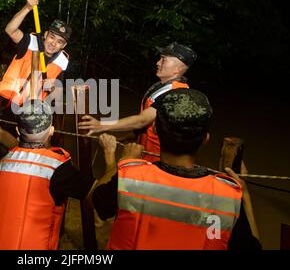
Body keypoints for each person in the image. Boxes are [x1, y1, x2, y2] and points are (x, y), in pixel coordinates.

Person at [91, 88, 262, 250]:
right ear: (206, 139)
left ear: (155, 129)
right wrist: (244, 194)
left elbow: (97, 201)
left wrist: (121, 162)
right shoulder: (227, 196)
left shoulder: (130, 178)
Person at [0, 101, 94, 250]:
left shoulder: (3, 164)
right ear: (51, 131)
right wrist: (110, 156)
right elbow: (97, 196)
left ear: (18, 130)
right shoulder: (57, 169)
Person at [79, 42, 196, 162]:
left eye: (163, 60)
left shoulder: (176, 94)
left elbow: (143, 120)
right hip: (144, 153)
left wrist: (101, 125)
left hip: (157, 160)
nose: (158, 63)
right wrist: (125, 137)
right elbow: (148, 125)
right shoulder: (163, 87)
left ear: (177, 69)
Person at [0, 0, 71, 106]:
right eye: (52, 37)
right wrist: (28, 7)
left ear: (63, 46)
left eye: (59, 42)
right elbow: (10, 30)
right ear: (45, 34)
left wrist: (53, 88)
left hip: (34, 112)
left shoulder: (62, 62)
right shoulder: (30, 42)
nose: (53, 43)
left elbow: (58, 94)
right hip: (11, 103)